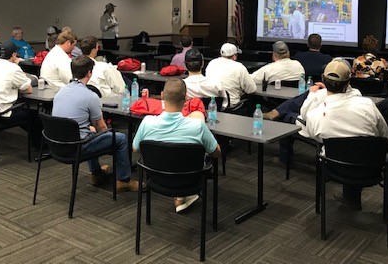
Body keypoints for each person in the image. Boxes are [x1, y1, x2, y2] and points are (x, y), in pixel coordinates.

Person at [299, 58, 388, 210]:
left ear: (323, 80)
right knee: (357, 148)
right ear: (348, 83)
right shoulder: (367, 105)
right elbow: (384, 135)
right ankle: (351, 198)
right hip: (372, 166)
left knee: (342, 149)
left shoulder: (315, 115)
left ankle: (349, 199)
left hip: (335, 167)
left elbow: (315, 136)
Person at [133, 78, 221, 212]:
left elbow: (135, 148)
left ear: (162, 95)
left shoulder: (147, 122)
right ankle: (182, 197)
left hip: (156, 179)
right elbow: (216, 153)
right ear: (185, 98)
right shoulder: (197, 126)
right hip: (189, 181)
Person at [52, 55, 138, 192]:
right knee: (121, 138)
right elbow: (102, 128)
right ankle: (123, 180)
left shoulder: (60, 92)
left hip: (57, 145)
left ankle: (96, 173)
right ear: (89, 73)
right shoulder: (90, 96)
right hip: (77, 147)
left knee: (90, 132)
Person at [0, 41, 41, 147]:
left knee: (22, 110)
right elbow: (29, 89)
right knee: (33, 115)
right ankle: (39, 145)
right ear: (14, 55)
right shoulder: (14, 68)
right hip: (0, 114)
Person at [205, 43, 256, 112]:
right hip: (232, 107)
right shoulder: (239, 67)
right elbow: (252, 89)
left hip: (213, 104)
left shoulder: (211, 63)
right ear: (234, 56)